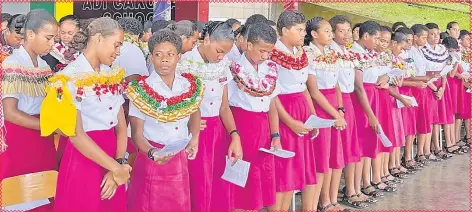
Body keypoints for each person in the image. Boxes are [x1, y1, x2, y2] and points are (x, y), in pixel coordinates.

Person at [41, 17, 131, 212]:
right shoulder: (67, 77)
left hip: (112, 158)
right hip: (83, 160)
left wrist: (118, 164)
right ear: (98, 39)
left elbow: (121, 128)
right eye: (116, 45)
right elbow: (77, 136)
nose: (118, 52)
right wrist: (116, 169)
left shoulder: (112, 75)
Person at [126, 30, 202, 212]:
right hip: (151, 157)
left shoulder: (188, 85)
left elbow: (195, 110)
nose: (164, 60)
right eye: (158, 55)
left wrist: (195, 137)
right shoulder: (141, 89)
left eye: (170, 55)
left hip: (179, 157)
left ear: (179, 57)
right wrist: (153, 152)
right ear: (151, 58)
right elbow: (136, 134)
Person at [178, 21, 242, 212]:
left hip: (217, 133)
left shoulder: (222, 65)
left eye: (225, 53)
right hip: (195, 134)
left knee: (217, 184)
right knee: (197, 185)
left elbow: (224, 107)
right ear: (206, 40)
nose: (221, 56)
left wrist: (235, 135)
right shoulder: (184, 63)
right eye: (219, 50)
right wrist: (191, 121)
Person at [0, 9, 58, 212]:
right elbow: (10, 113)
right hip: (21, 138)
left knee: (45, 191)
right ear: (31, 34)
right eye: (48, 38)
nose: (52, 44)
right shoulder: (12, 64)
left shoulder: (43, 65)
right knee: (21, 196)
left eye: (54, 39)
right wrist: (49, 126)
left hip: (43, 137)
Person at [228, 22, 281, 211]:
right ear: (249, 45)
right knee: (240, 183)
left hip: (263, 129)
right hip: (241, 127)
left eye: (269, 52)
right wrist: (234, 135)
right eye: (262, 51)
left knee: (259, 183)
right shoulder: (233, 69)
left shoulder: (270, 68)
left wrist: (275, 135)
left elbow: (272, 105)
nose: (265, 56)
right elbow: (225, 107)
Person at [270, 10, 319, 211]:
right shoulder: (272, 54)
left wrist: (313, 115)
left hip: (301, 108)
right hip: (283, 111)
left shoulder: (301, 53)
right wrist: (289, 122)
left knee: (294, 170)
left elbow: (304, 87)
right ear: (283, 31)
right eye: (298, 30)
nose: (302, 34)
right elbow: (272, 93)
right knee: (283, 170)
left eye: (303, 30)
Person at [328, 15, 373, 208]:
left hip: (348, 100)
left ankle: (353, 189)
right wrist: (340, 108)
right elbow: (335, 83)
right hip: (340, 101)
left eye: (348, 30)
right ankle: (338, 195)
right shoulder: (330, 53)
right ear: (332, 32)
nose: (346, 34)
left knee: (352, 147)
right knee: (339, 151)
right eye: (341, 30)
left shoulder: (348, 52)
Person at [304, 16, 348, 211]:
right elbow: (314, 91)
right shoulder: (308, 54)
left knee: (331, 157)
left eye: (331, 31)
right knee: (320, 158)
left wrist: (340, 108)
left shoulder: (330, 52)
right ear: (314, 34)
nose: (331, 35)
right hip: (320, 106)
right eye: (327, 31)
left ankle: (328, 199)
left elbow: (336, 82)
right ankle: (317, 203)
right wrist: (334, 115)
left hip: (333, 105)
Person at [350, 20, 389, 198]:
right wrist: (371, 115)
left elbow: (381, 72)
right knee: (357, 145)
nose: (378, 42)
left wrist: (385, 77)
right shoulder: (355, 54)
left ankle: (361, 185)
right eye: (376, 38)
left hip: (372, 96)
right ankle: (352, 189)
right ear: (366, 36)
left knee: (366, 144)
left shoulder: (370, 54)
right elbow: (358, 87)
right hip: (361, 102)